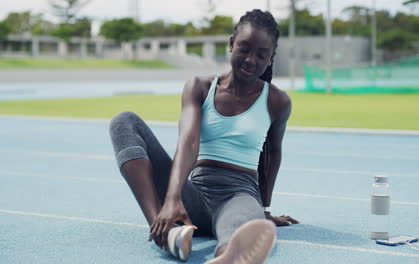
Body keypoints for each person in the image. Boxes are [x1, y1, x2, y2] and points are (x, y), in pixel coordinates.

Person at [109, 9, 298, 264]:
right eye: (244, 48)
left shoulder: (277, 101)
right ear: (231, 45)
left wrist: (264, 209)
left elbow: (273, 154)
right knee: (124, 122)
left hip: (239, 195)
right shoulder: (200, 87)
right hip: (194, 193)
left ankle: (227, 256)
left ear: (270, 59)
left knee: (238, 235)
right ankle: (162, 230)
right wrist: (172, 199)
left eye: (261, 55)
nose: (251, 60)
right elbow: (188, 141)